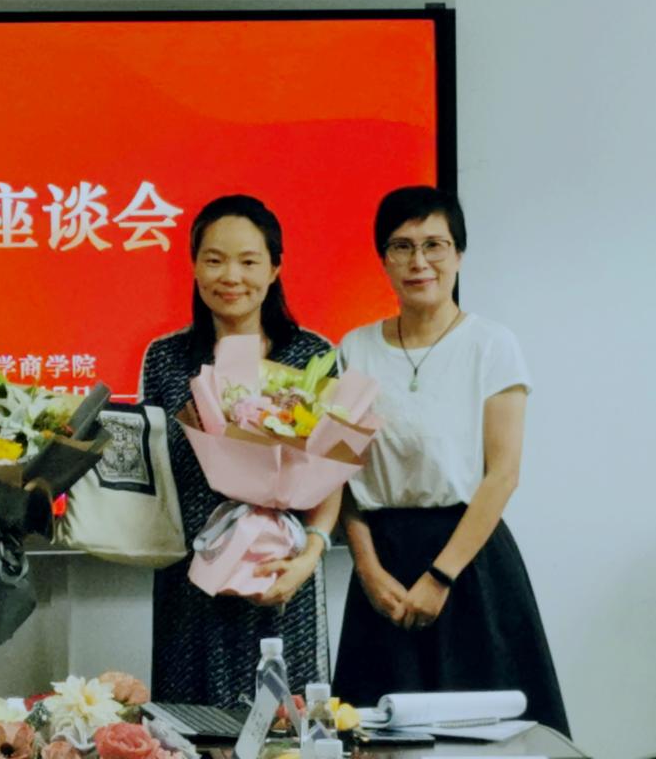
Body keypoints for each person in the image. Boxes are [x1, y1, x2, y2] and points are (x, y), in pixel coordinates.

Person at [332, 186, 569, 736]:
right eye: (402, 246)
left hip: (470, 565)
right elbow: (341, 473)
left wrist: (440, 576)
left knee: (485, 734)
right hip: (383, 565)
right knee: (376, 734)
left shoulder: (491, 345)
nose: (419, 262)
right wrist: (367, 569)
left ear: (459, 254)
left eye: (434, 245)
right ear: (383, 259)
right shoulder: (355, 349)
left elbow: (503, 474)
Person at [140, 194, 340, 704]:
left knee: (285, 726)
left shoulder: (311, 354)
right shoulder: (165, 358)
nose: (231, 276)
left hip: (282, 575)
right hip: (192, 582)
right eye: (214, 259)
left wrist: (308, 558)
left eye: (249, 261)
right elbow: (152, 473)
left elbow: (333, 469)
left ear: (275, 269)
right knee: (191, 727)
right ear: (193, 266)